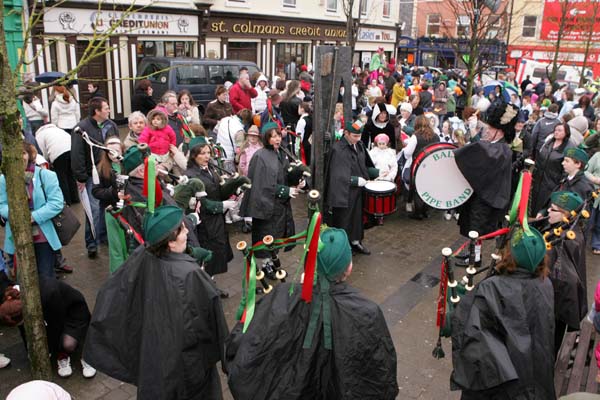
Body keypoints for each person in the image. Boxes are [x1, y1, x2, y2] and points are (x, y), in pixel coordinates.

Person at [226, 228, 398, 400]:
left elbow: (240, 346)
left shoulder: (281, 296)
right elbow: (381, 373)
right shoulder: (367, 313)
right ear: (349, 268)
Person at [84, 205, 229, 400]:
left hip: (154, 363)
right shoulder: (190, 275)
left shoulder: (144, 257)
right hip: (188, 368)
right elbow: (212, 323)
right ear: (169, 242)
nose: (187, 230)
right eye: (182, 229)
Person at [450, 226, 555, 399]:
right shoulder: (545, 284)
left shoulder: (493, 287)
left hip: (502, 385)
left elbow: (472, 336)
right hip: (534, 378)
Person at [454, 100, 517, 264]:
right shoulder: (495, 145)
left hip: (488, 197)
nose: (487, 131)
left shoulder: (503, 149)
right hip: (481, 192)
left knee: (477, 228)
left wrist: (474, 132)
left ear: (500, 132)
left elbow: (482, 153)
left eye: (490, 129)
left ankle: (476, 258)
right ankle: (471, 252)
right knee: (472, 224)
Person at [240, 122, 299, 275]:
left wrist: (299, 176)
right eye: (272, 137)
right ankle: (266, 264)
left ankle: (274, 260)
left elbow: (286, 174)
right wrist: (285, 191)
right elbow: (262, 184)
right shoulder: (260, 156)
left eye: (278, 135)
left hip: (280, 206)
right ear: (266, 139)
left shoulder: (281, 152)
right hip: (266, 205)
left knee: (278, 233)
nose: (277, 139)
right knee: (267, 234)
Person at [0, 143, 64, 278]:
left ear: (29, 155)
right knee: (22, 279)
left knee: (46, 279)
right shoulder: (4, 179)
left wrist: (32, 217)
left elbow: (56, 203)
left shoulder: (46, 175)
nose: (19, 157)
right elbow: (2, 205)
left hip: (43, 237)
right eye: (15, 154)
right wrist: (18, 216)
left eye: (23, 152)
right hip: (17, 237)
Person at [185, 139, 235, 296]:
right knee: (207, 256)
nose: (207, 156)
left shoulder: (210, 170)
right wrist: (222, 206)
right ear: (194, 156)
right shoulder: (191, 175)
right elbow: (202, 203)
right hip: (204, 224)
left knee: (215, 256)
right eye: (202, 153)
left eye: (208, 152)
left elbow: (218, 192)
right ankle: (206, 291)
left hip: (216, 222)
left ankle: (210, 286)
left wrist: (233, 185)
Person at [71, 97, 119, 258]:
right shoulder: (81, 129)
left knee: (110, 206)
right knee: (93, 211)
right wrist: (81, 177)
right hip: (92, 175)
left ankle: (105, 237)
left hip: (109, 172)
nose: (109, 110)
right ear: (97, 111)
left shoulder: (111, 125)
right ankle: (92, 243)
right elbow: (77, 154)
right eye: (106, 108)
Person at [325, 120, 378, 255]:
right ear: (346, 133)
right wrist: (355, 181)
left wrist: (375, 173)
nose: (357, 139)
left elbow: (364, 164)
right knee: (344, 219)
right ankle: (343, 246)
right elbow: (336, 175)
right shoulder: (338, 149)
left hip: (358, 191)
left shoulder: (359, 145)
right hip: (344, 192)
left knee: (357, 218)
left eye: (359, 136)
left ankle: (355, 241)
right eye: (354, 136)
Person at [545, 191, 588, 355]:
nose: (548, 211)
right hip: (562, 306)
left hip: (556, 308)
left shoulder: (563, 241)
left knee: (549, 348)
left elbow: (563, 278)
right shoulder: (573, 229)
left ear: (566, 215)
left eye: (553, 209)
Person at [530, 123, 573, 216]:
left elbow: (566, 170)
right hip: (538, 180)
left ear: (566, 133)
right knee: (532, 205)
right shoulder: (549, 142)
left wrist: (560, 184)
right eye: (555, 130)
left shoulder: (568, 148)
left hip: (552, 183)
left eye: (560, 130)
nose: (556, 132)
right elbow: (539, 159)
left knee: (542, 208)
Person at [402, 115, 440, 218]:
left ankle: (418, 212)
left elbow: (407, 153)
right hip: (432, 167)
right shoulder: (436, 136)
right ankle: (426, 211)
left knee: (418, 189)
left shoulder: (416, 136)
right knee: (428, 188)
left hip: (418, 167)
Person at [35, 123, 79, 205]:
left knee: (62, 177)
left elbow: (42, 152)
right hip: (72, 149)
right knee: (71, 174)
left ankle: (67, 201)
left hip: (58, 154)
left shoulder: (40, 135)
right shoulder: (58, 129)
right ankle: (75, 198)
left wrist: (47, 161)